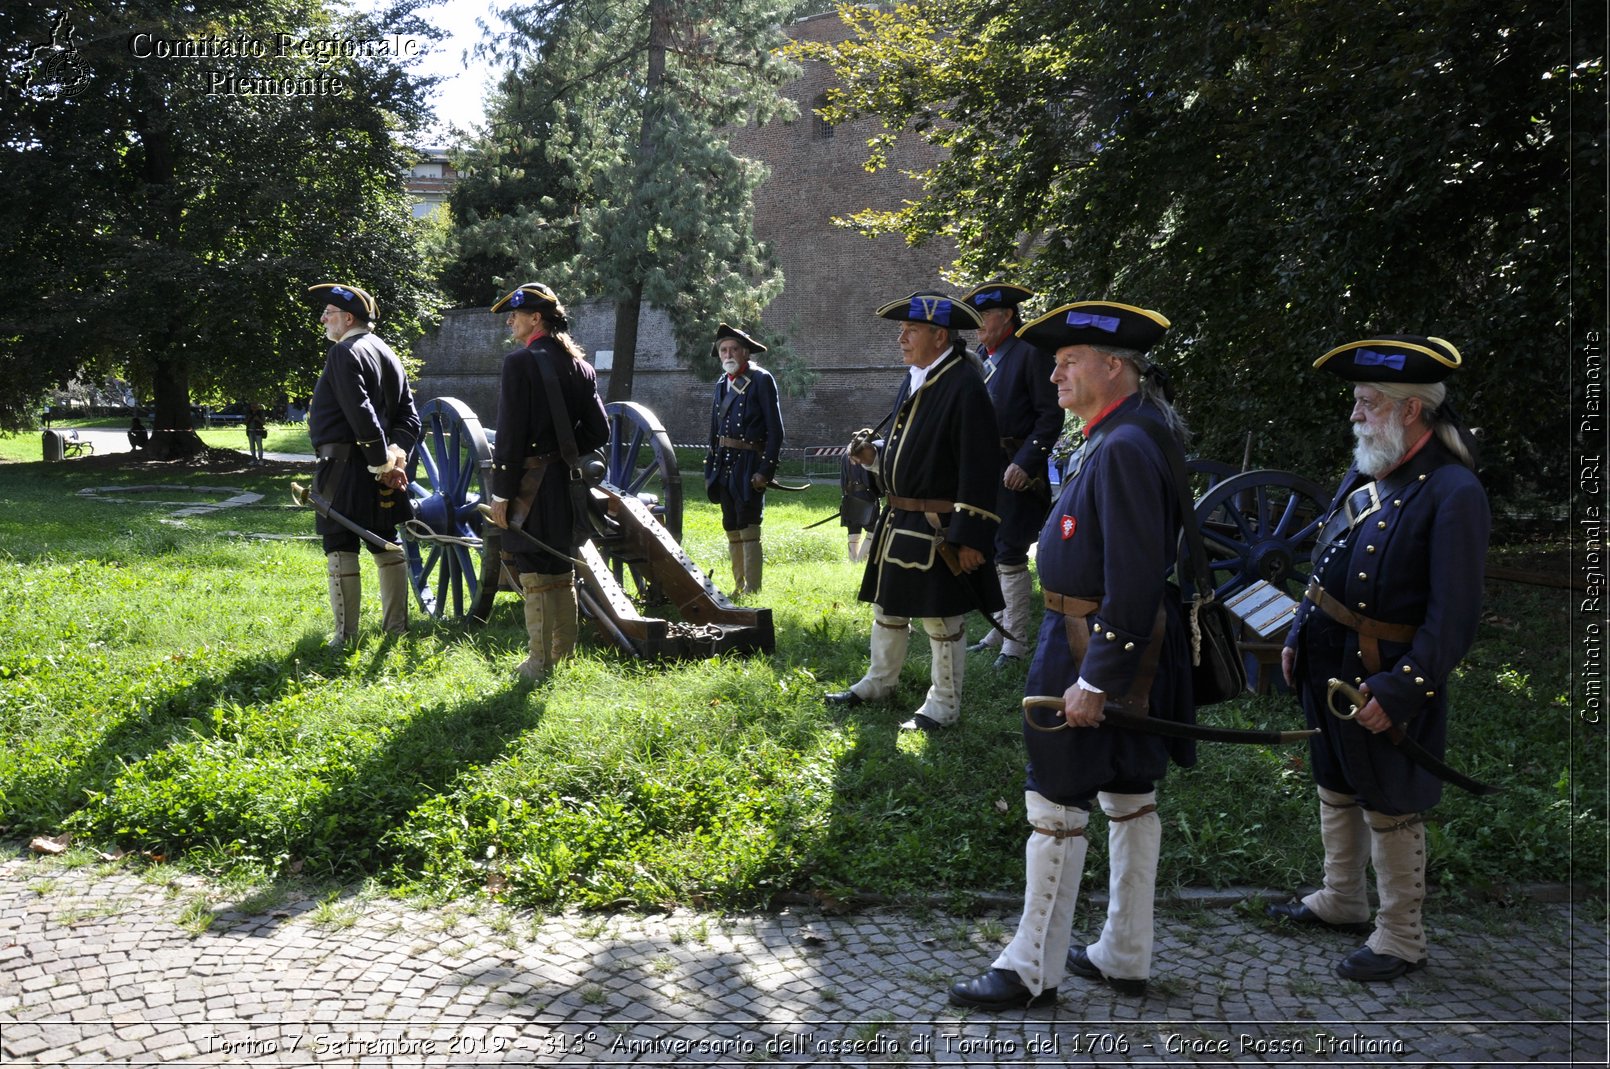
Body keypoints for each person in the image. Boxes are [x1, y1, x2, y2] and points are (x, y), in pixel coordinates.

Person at [950, 299, 1191, 1009]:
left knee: (1055, 801)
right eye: (1053, 364)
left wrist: (1096, 677)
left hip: (1092, 644)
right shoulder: (1131, 432)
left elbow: (1136, 575)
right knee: (1129, 793)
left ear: (1113, 366)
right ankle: (1124, 950)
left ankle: (1032, 968)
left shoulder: (1123, 444)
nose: (1053, 375)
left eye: (1068, 362)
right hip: (1108, 645)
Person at [1266, 335, 1489, 982]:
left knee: (1390, 798)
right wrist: (1297, 635)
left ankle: (1401, 935)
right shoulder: (1370, 471)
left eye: (1367, 403)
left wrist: (1401, 689)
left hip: (1384, 674)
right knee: (1335, 780)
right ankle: (1343, 897)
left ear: (1411, 410)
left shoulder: (1454, 493)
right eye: (1358, 402)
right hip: (1327, 659)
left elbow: (1454, 618)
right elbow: (1324, 562)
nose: (1355, 415)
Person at [824, 291, 1003, 732]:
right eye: (902, 330)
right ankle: (878, 682)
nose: (901, 338)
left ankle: (944, 705)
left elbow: (979, 468)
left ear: (939, 336)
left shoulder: (964, 384)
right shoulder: (917, 376)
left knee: (942, 620)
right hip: (900, 519)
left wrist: (969, 537)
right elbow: (917, 452)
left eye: (911, 330)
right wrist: (875, 457)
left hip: (939, 528)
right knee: (888, 608)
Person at [485, 282, 610, 681]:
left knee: (536, 572)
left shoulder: (519, 363)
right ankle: (563, 656)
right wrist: (563, 450)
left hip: (529, 486)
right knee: (559, 567)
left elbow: (509, 436)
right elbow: (599, 432)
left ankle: (539, 663)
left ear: (535, 318)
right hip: (566, 483)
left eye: (516, 315)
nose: (510, 321)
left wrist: (501, 493)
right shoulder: (580, 366)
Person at [306, 282, 421, 647]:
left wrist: (382, 463)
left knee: (340, 546)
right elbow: (409, 418)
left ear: (348, 318)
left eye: (329, 313)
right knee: (386, 545)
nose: (323, 318)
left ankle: (346, 637)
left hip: (346, 469)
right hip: (377, 469)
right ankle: (396, 629)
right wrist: (396, 454)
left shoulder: (345, 353)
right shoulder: (388, 353)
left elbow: (361, 413)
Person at [959, 282, 1062, 669]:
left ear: (1006, 317)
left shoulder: (1030, 354)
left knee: (1011, 553)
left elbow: (1050, 416)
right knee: (989, 550)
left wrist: (1026, 462)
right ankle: (997, 628)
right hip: (987, 470)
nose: (978, 327)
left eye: (984, 318)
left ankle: (1015, 643)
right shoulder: (983, 356)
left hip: (1016, 470)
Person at [702, 323, 785, 594]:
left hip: (749, 462)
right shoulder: (719, 384)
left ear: (745, 353)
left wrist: (766, 470)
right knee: (731, 524)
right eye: (723, 350)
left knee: (748, 523)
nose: (728, 354)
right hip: (724, 462)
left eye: (733, 349)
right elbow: (715, 430)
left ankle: (753, 589)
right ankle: (739, 586)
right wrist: (711, 465)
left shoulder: (761, 379)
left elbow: (775, 430)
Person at [839, 450, 879, 562]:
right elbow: (869, 479)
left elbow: (843, 479)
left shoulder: (845, 454)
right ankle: (860, 561)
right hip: (866, 495)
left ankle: (853, 561)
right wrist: (876, 493)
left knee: (853, 532)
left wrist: (845, 496)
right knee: (872, 531)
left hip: (849, 495)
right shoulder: (864, 453)